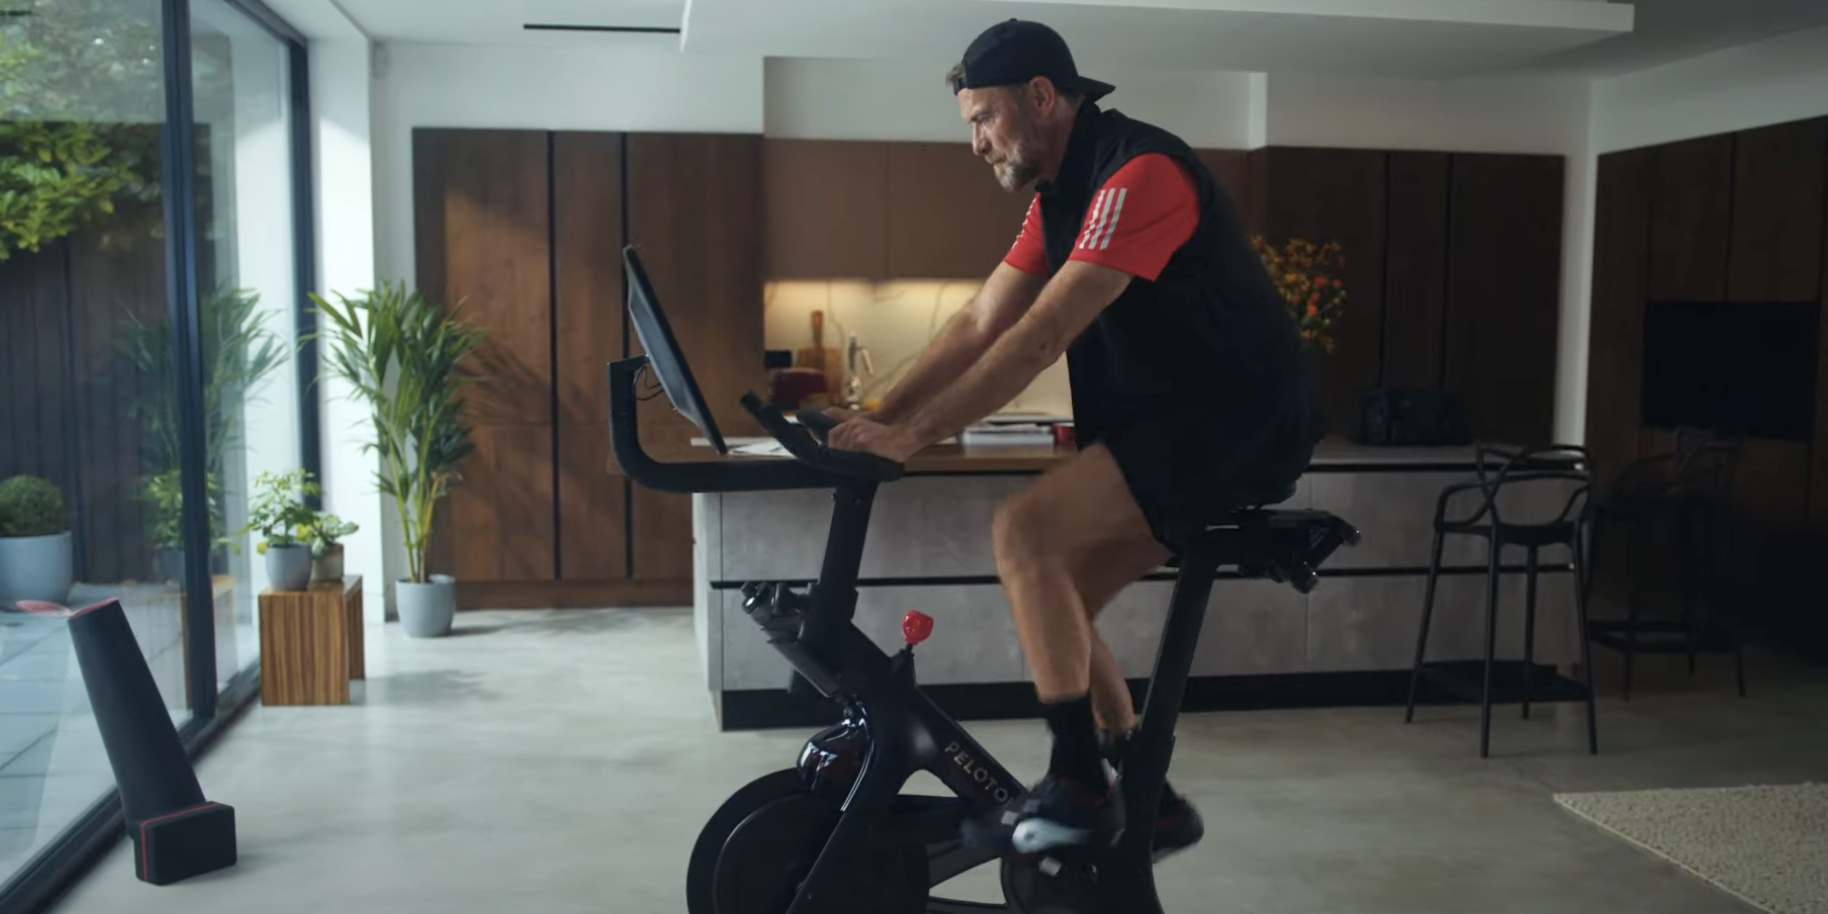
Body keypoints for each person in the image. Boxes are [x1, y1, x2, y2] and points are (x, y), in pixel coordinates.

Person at [825, 19, 1324, 855]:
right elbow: (982, 320)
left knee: (1022, 532)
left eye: (983, 119)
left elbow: (1041, 334)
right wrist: (877, 414)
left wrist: (916, 433)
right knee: (1053, 594)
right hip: (1171, 425)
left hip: (1238, 419)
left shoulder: (1140, 172)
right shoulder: (1057, 199)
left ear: (1044, 98)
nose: (977, 143)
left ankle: (1079, 784)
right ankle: (1150, 794)